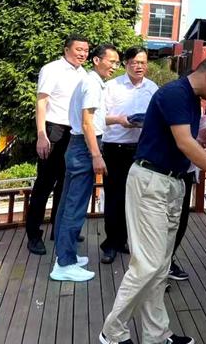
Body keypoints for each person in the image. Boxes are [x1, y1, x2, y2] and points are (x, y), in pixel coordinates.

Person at [100, 55, 206, 344]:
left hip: (172, 182)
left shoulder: (191, 98)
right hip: (152, 182)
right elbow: (184, 141)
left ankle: (156, 335)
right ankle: (112, 332)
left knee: (160, 266)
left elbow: (187, 142)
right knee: (148, 264)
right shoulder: (176, 93)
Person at [49, 44, 120, 282]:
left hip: (79, 145)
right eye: (112, 61)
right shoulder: (91, 84)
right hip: (84, 146)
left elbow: (93, 120)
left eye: (117, 62)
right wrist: (96, 155)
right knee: (75, 207)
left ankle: (64, 254)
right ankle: (64, 263)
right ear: (97, 60)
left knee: (67, 204)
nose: (114, 66)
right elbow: (87, 122)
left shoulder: (90, 82)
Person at [27, 35, 89, 256]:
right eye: (79, 49)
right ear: (66, 49)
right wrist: (41, 134)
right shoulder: (52, 69)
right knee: (44, 184)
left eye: (86, 50)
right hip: (53, 130)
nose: (83, 53)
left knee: (65, 184)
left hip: (74, 133)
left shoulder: (84, 74)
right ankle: (33, 235)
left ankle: (58, 229)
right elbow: (41, 101)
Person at [100, 47, 158, 264]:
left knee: (136, 199)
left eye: (143, 62)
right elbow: (98, 118)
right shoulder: (111, 87)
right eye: (134, 62)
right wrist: (120, 120)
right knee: (114, 197)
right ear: (125, 64)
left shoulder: (152, 88)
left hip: (140, 150)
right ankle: (110, 244)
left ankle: (126, 240)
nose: (139, 66)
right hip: (114, 147)